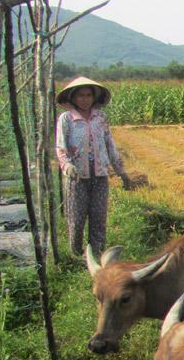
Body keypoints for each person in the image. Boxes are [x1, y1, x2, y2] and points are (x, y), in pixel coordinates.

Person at [55, 77, 132, 257]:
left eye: (89, 95)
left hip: (100, 175)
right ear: (73, 98)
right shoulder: (66, 119)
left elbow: (109, 144)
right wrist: (67, 166)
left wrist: (121, 171)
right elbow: (60, 147)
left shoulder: (100, 118)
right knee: (77, 217)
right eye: (81, 95)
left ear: (94, 97)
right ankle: (76, 254)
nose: (85, 99)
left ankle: (97, 254)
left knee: (98, 217)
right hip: (77, 176)